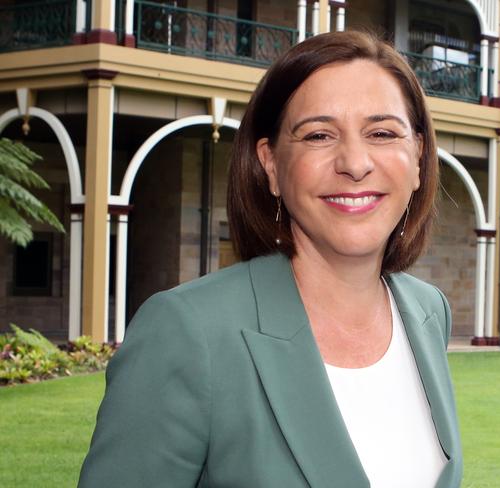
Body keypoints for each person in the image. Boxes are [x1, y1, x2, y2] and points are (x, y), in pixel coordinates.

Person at [78, 30, 462, 488]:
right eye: (319, 135)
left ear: (417, 156)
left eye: (381, 132)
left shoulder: (427, 312)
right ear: (271, 164)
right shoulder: (188, 331)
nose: (355, 163)